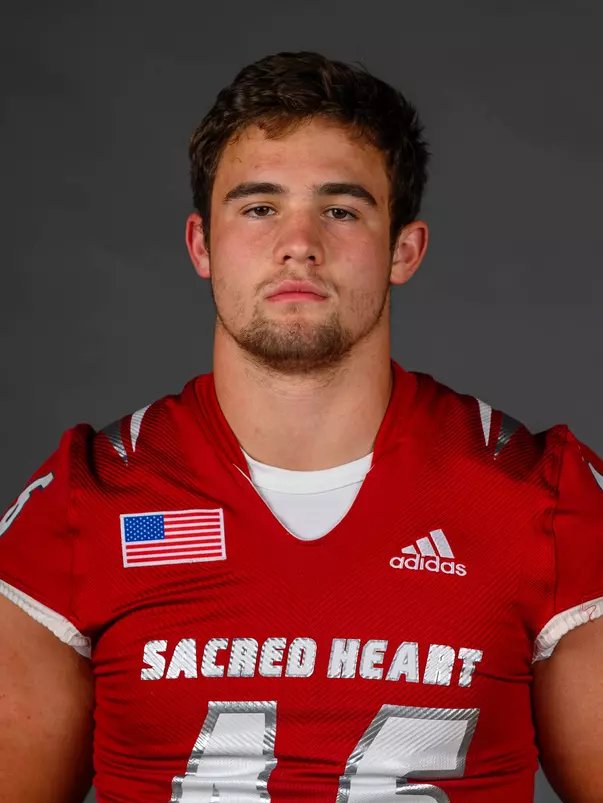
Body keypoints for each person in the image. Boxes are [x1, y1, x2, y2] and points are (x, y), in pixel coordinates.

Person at [1, 50, 602, 803]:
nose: (299, 243)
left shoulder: (543, 497)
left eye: (341, 209)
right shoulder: (83, 500)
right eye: (258, 207)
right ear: (200, 245)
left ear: (403, 251)